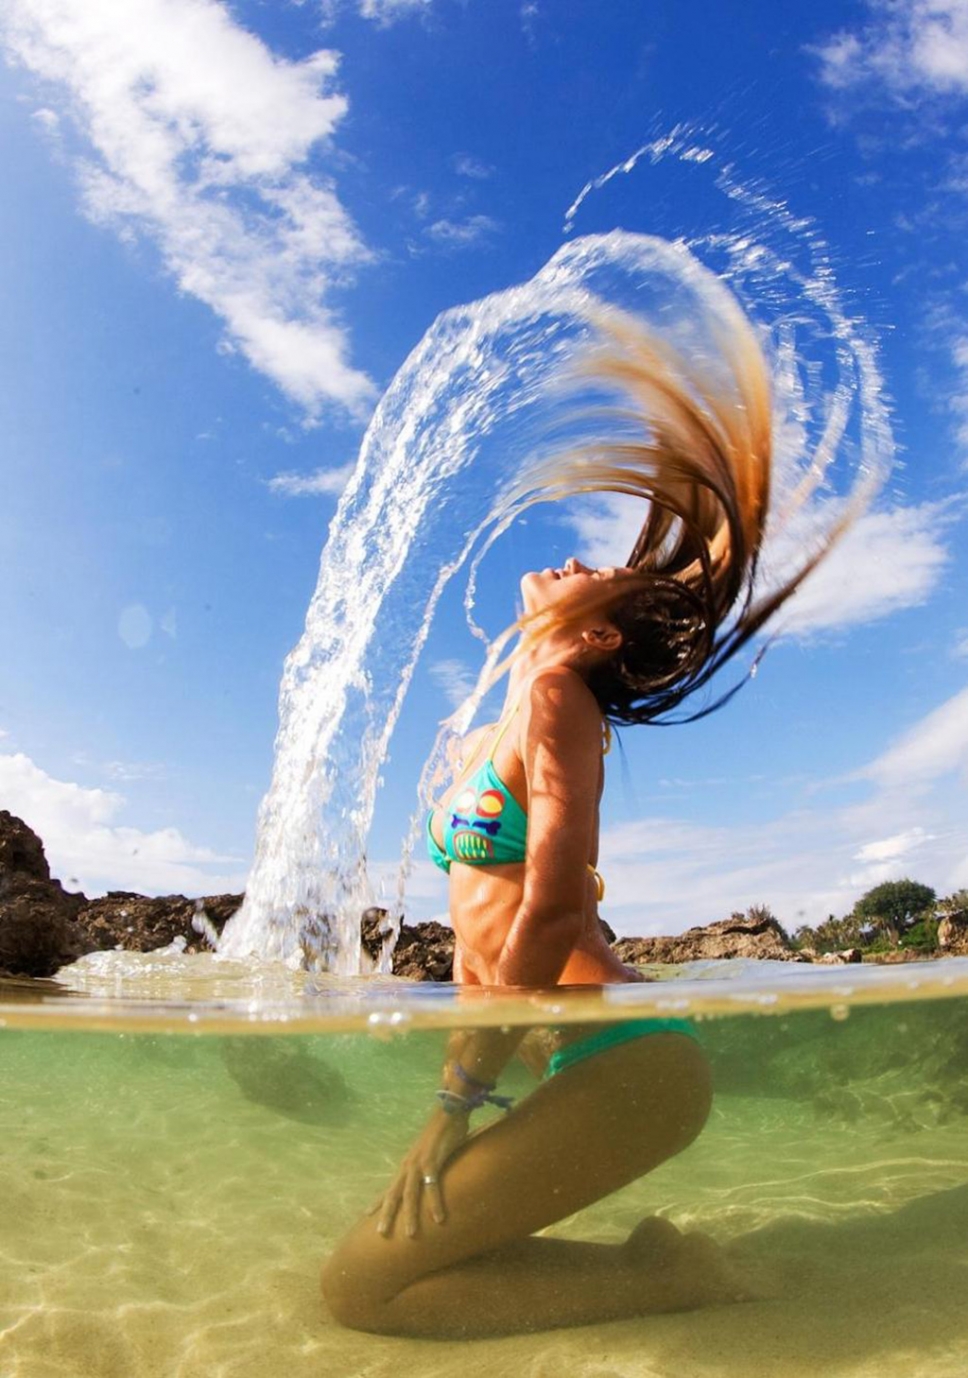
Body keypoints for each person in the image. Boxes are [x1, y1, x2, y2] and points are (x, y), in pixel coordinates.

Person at [321, 305, 846, 1338]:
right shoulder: (500, 716)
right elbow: (488, 919)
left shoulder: (559, 694)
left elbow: (554, 899)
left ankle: (674, 1279)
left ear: (597, 630)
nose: (571, 559)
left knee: (360, 1291)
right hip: (578, 1062)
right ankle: (647, 1264)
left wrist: (454, 1099)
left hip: (627, 1064)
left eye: (594, 571)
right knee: (385, 1277)